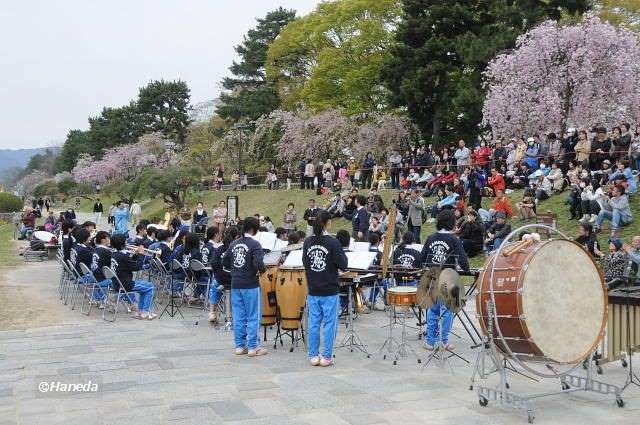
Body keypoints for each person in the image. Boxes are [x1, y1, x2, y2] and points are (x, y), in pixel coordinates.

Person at [302, 210, 348, 367]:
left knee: (314, 323)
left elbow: (306, 263)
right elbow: (343, 264)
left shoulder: (308, 242)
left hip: (313, 288)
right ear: (327, 223)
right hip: (329, 289)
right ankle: (327, 356)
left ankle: (313, 355)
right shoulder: (333, 242)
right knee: (329, 323)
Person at [421, 210, 470, 351]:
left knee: (433, 311)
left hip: (432, 279)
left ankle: (430, 342)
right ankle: (444, 341)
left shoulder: (430, 238)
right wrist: (465, 269)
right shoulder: (454, 239)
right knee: (447, 311)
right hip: (448, 279)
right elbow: (463, 261)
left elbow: (423, 258)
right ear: (451, 223)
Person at [222, 217, 267, 356]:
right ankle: (253, 347)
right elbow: (259, 263)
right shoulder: (255, 244)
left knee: (239, 315)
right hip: (250, 283)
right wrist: (262, 270)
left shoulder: (234, 243)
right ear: (254, 229)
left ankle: (240, 346)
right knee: (253, 315)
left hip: (236, 283)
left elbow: (225, 261)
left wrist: (236, 270)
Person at [110, 234, 156, 320]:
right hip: (126, 284)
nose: (127, 242)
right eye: (126, 241)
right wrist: (141, 254)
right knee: (150, 287)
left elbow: (129, 264)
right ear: (122, 244)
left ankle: (141, 312)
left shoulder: (114, 254)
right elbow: (137, 267)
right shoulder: (123, 256)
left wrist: (136, 255)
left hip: (117, 284)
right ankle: (145, 312)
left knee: (144, 289)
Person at [90, 231, 113, 304]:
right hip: (102, 279)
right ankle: (131, 303)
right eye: (108, 238)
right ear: (103, 240)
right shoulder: (106, 251)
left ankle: (98, 298)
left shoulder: (95, 250)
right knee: (123, 278)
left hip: (94, 278)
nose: (109, 240)